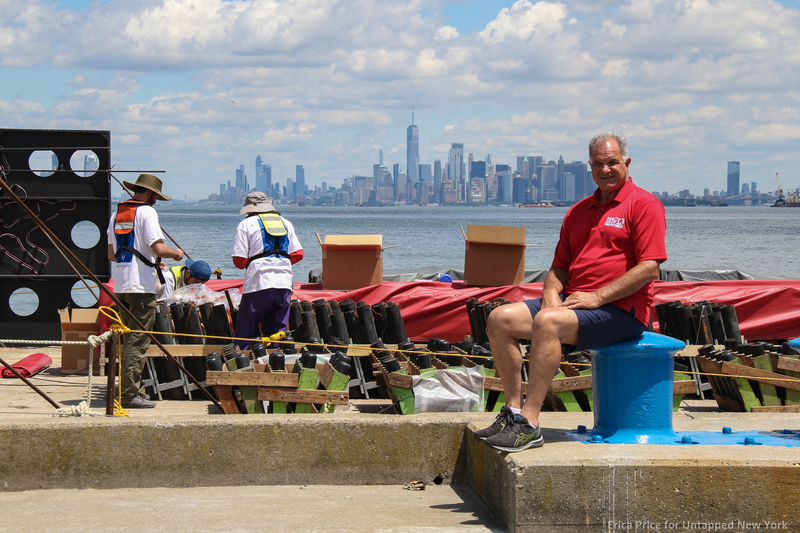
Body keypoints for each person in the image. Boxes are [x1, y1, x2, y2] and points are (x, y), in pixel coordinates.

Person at [476, 132, 667, 452]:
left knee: (548, 323)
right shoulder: (578, 211)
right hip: (574, 304)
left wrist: (598, 297)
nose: (605, 170)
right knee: (499, 318)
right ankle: (511, 411)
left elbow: (650, 268)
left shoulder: (644, 205)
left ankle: (530, 423)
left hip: (621, 312)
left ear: (627, 163)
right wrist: (551, 295)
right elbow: (559, 269)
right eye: (598, 164)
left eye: (612, 162)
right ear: (589, 167)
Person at [106, 174, 184, 408]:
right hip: (141, 286)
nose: (157, 202)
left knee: (127, 338)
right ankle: (129, 395)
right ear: (150, 193)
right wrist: (176, 253)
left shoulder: (116, 215)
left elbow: (111, 255)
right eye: (156, 197)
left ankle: (134, 388)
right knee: (138, 341)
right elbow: (158, 247)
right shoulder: (147, 212)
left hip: (121, 284)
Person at [232, 191, 304, 349]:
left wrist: (258, 261)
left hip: (258, 283)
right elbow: (299, 254)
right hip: (284, 284)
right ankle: (275, 363)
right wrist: (280, 262)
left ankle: (242, 363)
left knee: (245, 331)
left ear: (250, 209)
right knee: (276, 333)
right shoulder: (286, 222)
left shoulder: (246, 224)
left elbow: (239, 260)